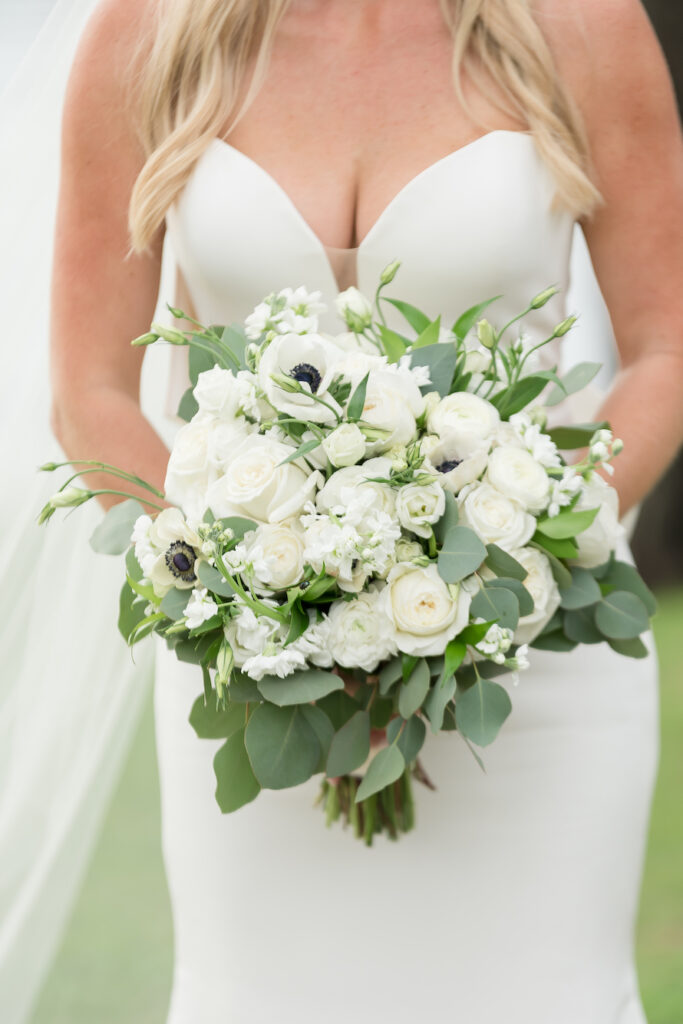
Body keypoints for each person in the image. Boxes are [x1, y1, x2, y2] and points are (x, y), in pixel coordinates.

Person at [46, 0, 682, 1021]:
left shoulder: (580, 25)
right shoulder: (147, 31)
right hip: (259, 689)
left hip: (534, 670)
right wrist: (251, 591)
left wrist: (511, 566)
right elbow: (89, 392)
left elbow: (665, 348)